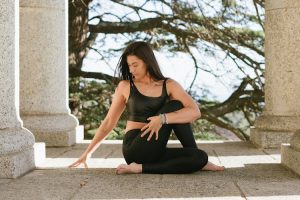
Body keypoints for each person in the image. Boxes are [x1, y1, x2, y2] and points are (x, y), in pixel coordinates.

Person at [69, 41, 225, 174]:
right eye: (129, 65)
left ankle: (142, 168)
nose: (131, 70)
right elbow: (109, 121)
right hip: (135, 147)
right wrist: (87, 153)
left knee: (199, 157)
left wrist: (162, 119)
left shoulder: (169, 85)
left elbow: (195, 112)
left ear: (147, 61)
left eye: (135, 65)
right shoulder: (125, 86)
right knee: (175, 105)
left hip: (156, 148)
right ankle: (139, 165)